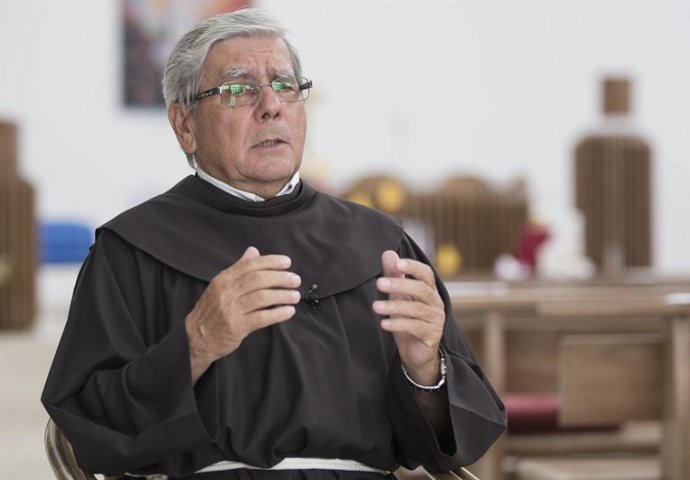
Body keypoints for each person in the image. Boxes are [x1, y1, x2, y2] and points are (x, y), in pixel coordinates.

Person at [42, 8, 505, 480]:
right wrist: (194, 345)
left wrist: (425, 370)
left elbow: (452, 445)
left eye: (284, 85)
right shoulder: (133, 248)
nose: (271, 106)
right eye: (238, 90)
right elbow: (87, 428)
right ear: (184, 125)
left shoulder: (381, 245)